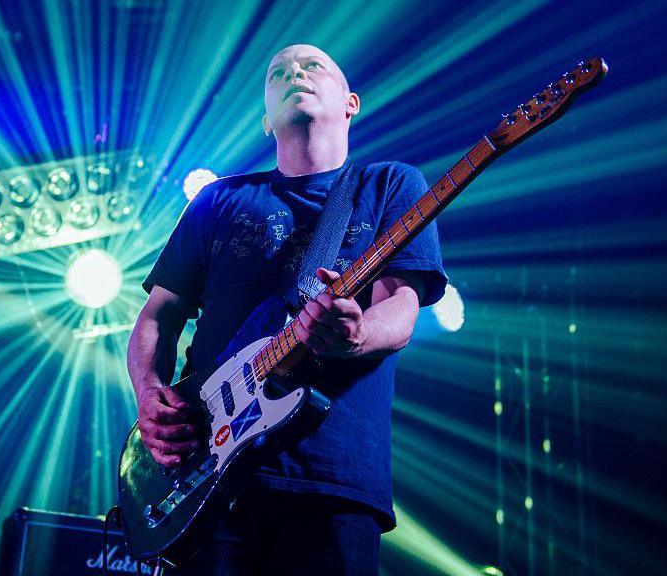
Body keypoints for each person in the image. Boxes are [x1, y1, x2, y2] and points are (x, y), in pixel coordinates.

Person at [127, 44, 447, 575]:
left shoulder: (392, 186)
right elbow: (158, 316)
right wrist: (150, 395)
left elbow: (402, 308)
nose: (294, 73)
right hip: (206, 473)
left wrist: (356, 334)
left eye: (311, 66)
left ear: (351, 103)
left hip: (332, 478)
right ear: (265, 120)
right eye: (278, 73)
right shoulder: (217, 200)